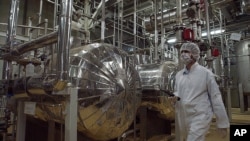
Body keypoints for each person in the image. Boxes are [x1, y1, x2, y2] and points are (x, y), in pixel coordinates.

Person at [173, 42, 229, 141]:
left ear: (194, 54)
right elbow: (178, 92)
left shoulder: (205, 73)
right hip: (184, 115)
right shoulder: (179, 75)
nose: (183, 54)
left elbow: (216, 97)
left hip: (200, 115)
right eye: (182, 52)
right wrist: (174, 97)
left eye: (186, 51)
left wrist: (222, 123)